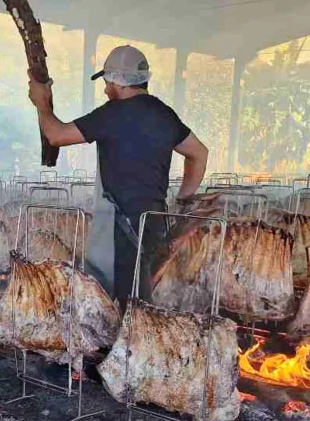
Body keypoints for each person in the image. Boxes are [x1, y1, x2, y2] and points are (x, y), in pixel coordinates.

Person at [27, 45, 209, 305]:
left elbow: (56, 135)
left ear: (120, 82)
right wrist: (183, 199)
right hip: (153, 223)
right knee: (141, 295)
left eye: (108, 82)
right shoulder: (165, 114)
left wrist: (41, 103)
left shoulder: (113, 113)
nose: (105, 90)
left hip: (119, 229)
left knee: (109, 301)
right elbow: (199, 153)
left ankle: (121, 329)